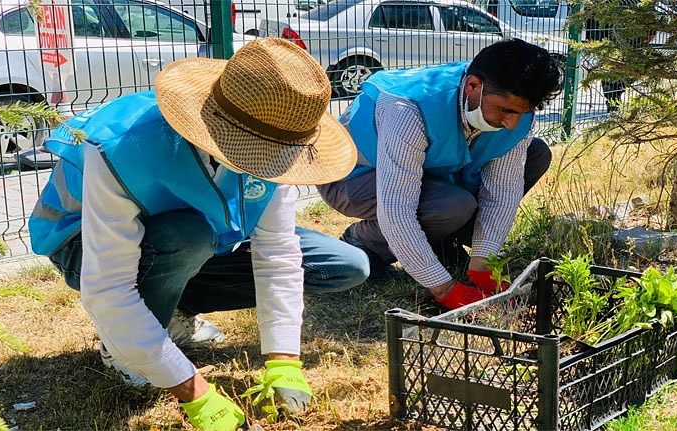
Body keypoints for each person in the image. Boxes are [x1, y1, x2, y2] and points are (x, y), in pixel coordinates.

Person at [28, 38, 369, 430]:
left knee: (344, 264)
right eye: (254, 153)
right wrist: (193, 390)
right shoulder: (122, 148)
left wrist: (284, 359)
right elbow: (108, 287)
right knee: (187, 236)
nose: (263, 165)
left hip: (194, 245)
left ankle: (172, 310)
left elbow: (277, 251)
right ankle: (123, 346)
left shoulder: (279, 137)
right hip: (83, 248)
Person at [318, 38, 562, 310]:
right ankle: (364, 243)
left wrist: (483, 264)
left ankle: (444, 240)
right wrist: (444, 288)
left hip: (435, 172)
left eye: (522, 113)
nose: (512, 122)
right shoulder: (407, 109)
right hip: (353, 176)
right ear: (473, 86)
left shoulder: (514, 114)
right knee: (452, 205)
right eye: (505, 110)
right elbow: (397, 210)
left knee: (535, 153)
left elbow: (502, 191)